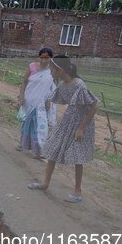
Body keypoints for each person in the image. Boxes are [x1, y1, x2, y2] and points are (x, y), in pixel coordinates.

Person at [28, 55, 98, 203]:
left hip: (81, 125)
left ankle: (78, 192)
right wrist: (46, 103)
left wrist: (81, 128)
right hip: (67, 121)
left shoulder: (79, 85)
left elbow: (94, 106)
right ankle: (45, 183)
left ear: (61, 70)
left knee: (77, 156)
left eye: (52, 69)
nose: (50, 72)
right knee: (52, 148)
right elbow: (56, 98)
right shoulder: (63, 85)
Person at [17, 47, 56, 159]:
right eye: (42, 57)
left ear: (50, 58)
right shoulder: (32, 67)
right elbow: (24, 82)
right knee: (26, 123)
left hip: (42, 103)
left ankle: (38, 151)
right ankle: (22, 144)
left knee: (39, 126)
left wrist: (50, 100)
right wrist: (21, 96)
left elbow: (53, 88)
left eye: (47, 58)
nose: (44, 60)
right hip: (29, 100)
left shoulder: (52, 71)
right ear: (39, 57)